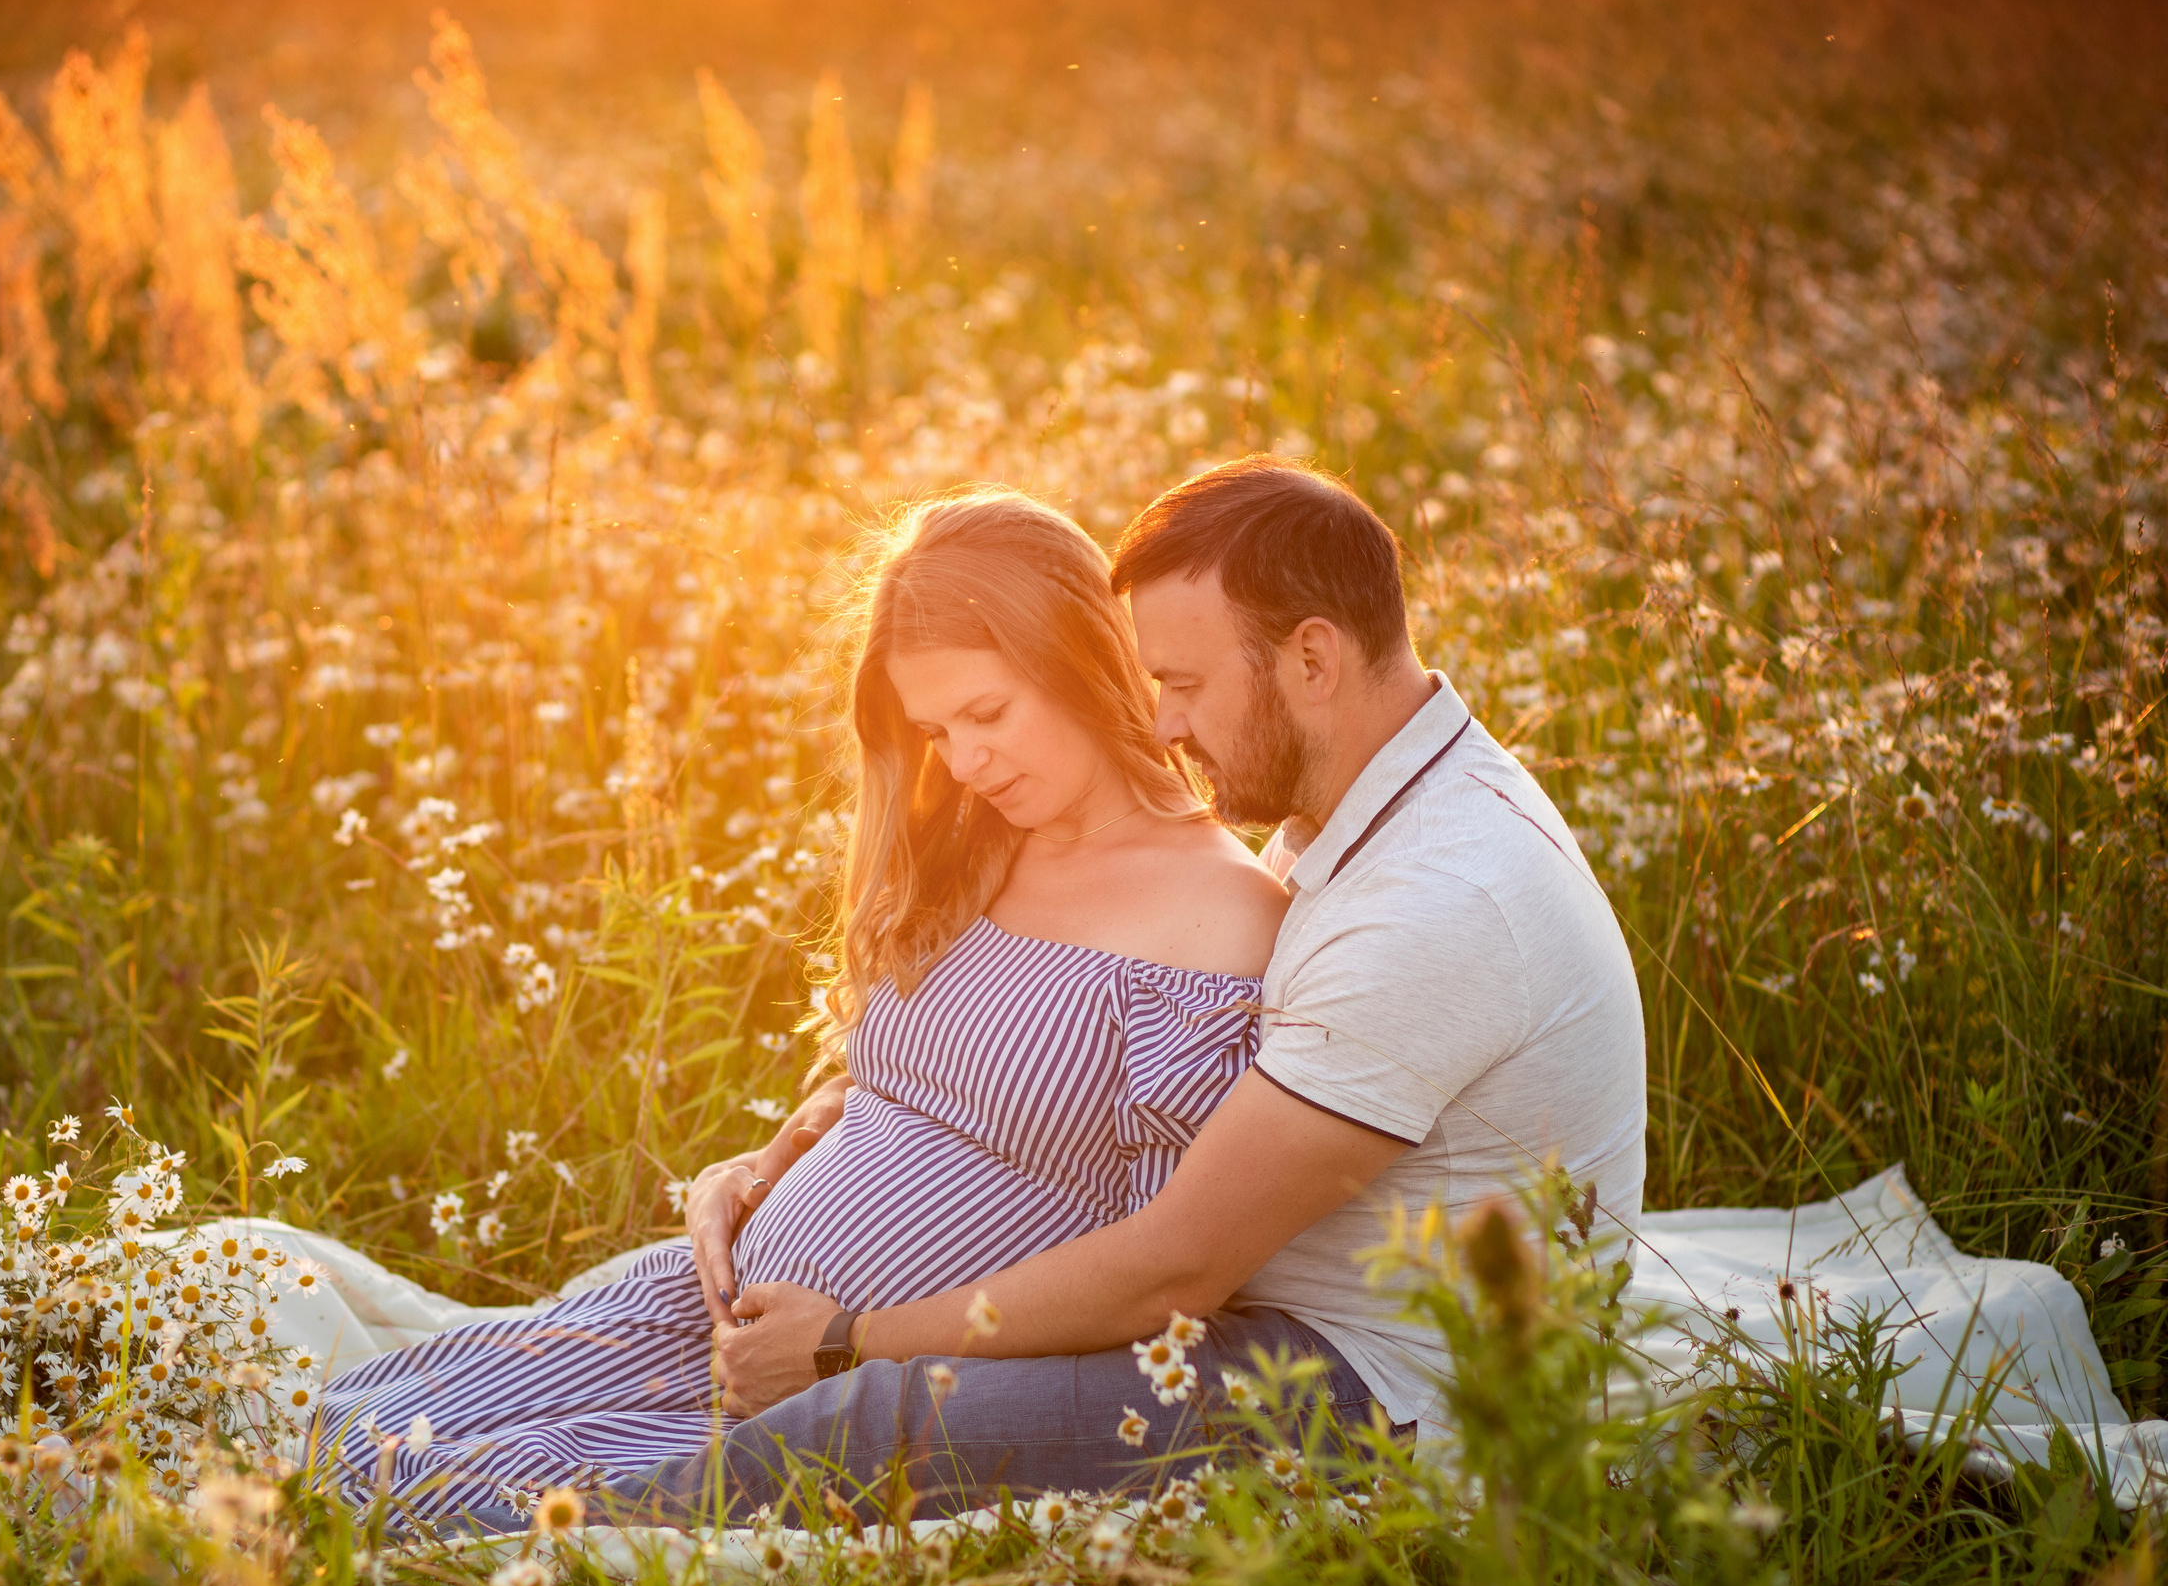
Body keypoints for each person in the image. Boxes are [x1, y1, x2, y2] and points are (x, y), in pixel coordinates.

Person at [597, 454, 1648, 1523]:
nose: (1165, 725)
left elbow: (1172, 1268)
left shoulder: (1438, 900)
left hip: (1376, 1381)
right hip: (1283, 1318)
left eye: (1185, 684)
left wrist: (842, 1340)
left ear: (1313, 658)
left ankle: (499, 1549)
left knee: (869, 1427)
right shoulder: (1372, 808)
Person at [309, 488, 1298, 1522]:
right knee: (321, 1432)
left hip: (837, 1391)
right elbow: (895, 1086)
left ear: (1082, 664)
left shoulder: (1216, 918)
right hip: (709, 1315)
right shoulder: (981, 841)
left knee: (412, 1504)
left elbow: (1151, 1276)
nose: (964, 761)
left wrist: (851, 1335)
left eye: (987, 714)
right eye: (935, 729)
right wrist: (763, 1166)